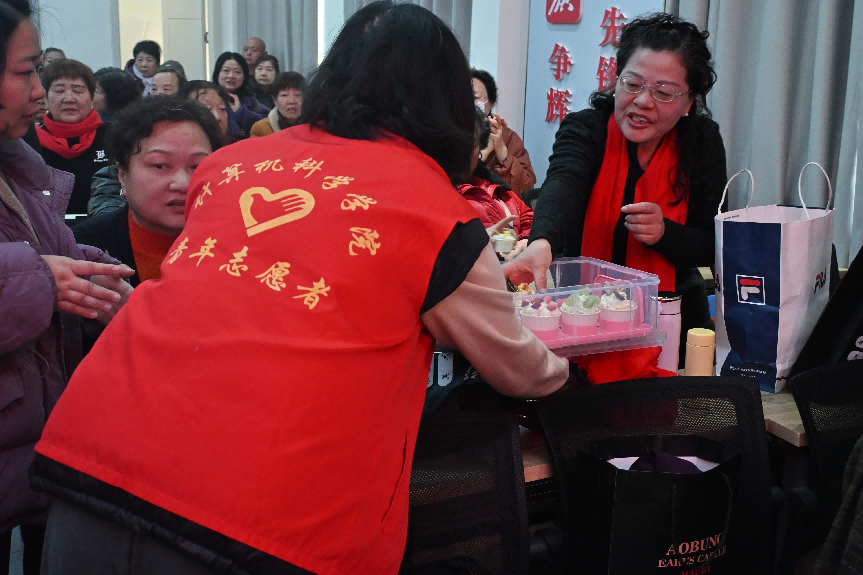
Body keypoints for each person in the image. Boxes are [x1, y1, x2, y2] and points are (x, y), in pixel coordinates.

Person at [31, 3, 570, 574]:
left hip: (93, 457)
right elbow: (518, 369)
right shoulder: (435, 209)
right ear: (449, 104)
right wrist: (564, 366)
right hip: (262, 515)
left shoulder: (231, 165)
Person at [504, 13, 726, 368]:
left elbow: (714, 244)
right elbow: (563, 182)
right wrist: (541, 241)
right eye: (632, 83)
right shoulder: (586, 129)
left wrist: (665, 234)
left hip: (673, 326)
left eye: (663, 92)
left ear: (688, 102)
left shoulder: (702, 143)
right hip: (581, 320)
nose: (642, 101)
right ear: (616, 79)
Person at [0, 1, 133, 572]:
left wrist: (111, 280)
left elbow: (56, 249)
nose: (40, 91)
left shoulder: (16, 168)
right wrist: (38, 281)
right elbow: (39, 266)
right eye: (26, 72)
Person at [73, 96, 223, 286]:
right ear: (122, 174)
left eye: (197, 166)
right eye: (160, 165)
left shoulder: (240, 239)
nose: (183, 183)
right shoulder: (81, 250)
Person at [22, 58, 112, 216]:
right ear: (45, 99)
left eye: (78, 91)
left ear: (92, 98)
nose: (69, 98)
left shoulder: (114, 136)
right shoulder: (27, 141)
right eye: (59, 91)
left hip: (104, 226)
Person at [458, 106, 533, 260]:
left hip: (511, 270)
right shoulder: (437, 193)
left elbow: (527, 215)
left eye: (473, 142)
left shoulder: (492, 184)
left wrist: (526, 240)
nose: (464, 149)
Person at [471, 68, 536, 198]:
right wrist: (482, 155)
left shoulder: (508, 137)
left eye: (474, 97)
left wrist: (501, 150)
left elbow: (526, 189)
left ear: (490, 103)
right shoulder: (451, 134)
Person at [212, 51, 268, 139]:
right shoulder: (208, 97)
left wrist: (241, 112)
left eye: (237, 72)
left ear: (244, 76)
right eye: (226, 70)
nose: (231, 76)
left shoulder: (250, 100)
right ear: (217, 73)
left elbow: (267, 126)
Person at [250, 71, 304, 138]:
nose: (291, 101)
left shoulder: (314, 126)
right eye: (284, 95)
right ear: (275, 100)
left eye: (297, 95)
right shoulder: (260, 129)